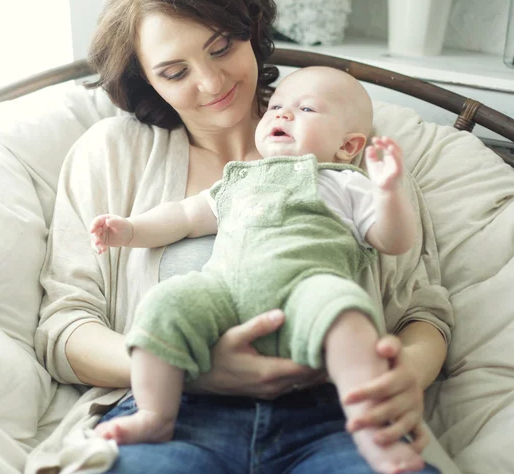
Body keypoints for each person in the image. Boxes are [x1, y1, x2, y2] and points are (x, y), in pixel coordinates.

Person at [35, 0, 452, 473]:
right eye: (174, 72)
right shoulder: (111, 155)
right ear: (146, 79)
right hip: (176, 416)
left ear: (250, 30)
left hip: (337, 417)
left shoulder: (356, 149)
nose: (211, 83)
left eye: (221, 45)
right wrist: (189, 369)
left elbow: (423, 309)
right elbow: (65, 326)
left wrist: (404, 378)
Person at [89, 65, 422, 473]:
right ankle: (156, 415)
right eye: (277, 105)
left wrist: (388, 192)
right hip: (222, 289)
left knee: (349, 314)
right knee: (164, 303)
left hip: (309, 289)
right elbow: (183, 216)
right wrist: (131, 230)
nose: (282, 114)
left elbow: (394, 241)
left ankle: (371, 427)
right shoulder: (237, 179)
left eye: (307, 109)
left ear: (348, 145)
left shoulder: (345, 183)